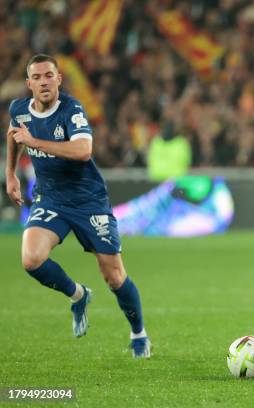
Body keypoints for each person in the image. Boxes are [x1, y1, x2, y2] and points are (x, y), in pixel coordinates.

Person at [5, 54, 151, 358]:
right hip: (51, 198)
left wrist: (35, 142)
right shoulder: (19, 109)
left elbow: (84, 150)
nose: (43, 82)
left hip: (89, 200)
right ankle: (78, 294)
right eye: (37, 77)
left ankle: (139, 333)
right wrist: (11, 175)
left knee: (114, 276)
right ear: (28, 83)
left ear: (59, 78)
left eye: (49, 75)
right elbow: (14, 136)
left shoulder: (72, 110)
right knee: (31, 259)